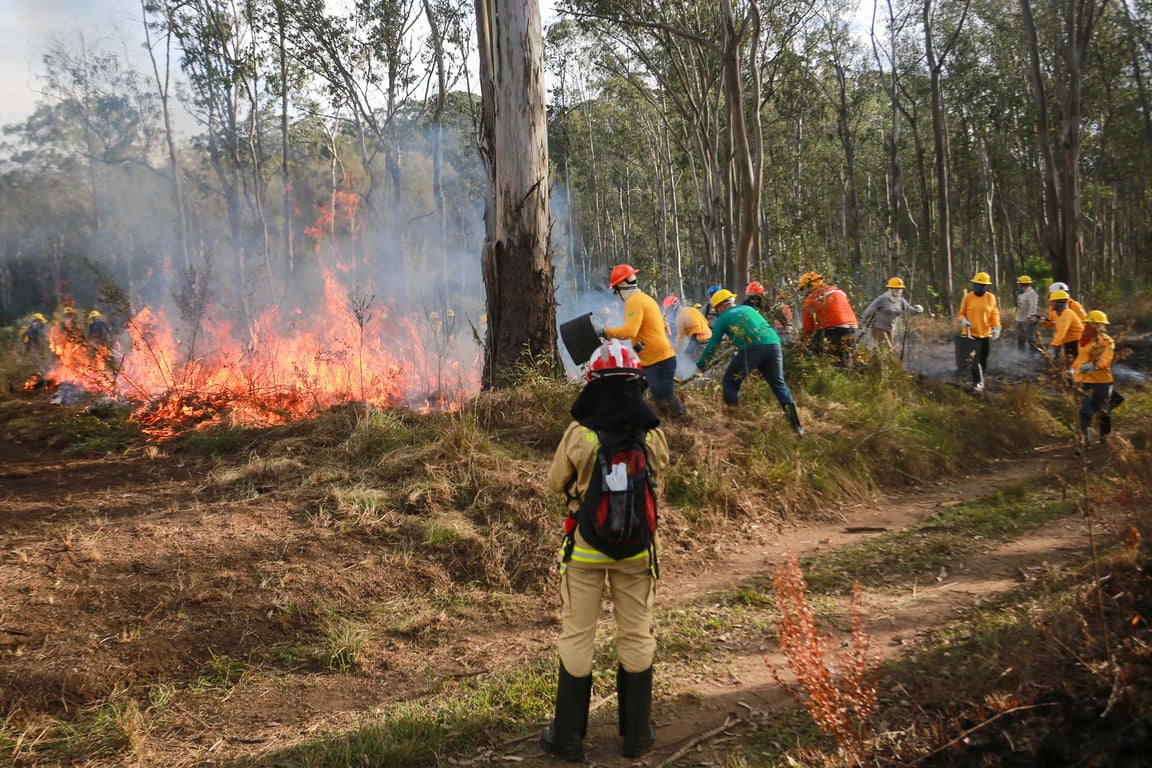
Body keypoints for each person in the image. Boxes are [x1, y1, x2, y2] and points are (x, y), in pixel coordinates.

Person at [542, 339, 670, 761]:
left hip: (585, 551)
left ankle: (567, 738)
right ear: (639, 383)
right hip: (636, 550)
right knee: (635, 633)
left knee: (578, 634)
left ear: (592, 383)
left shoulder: (580, 433)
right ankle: (636, 737)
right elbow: (658, 482)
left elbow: (555, 483)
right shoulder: (651, 434)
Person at [695, 289, 804, 435]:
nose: (718, 312)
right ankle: (796, 428)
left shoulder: (723, 318)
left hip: (752, 347)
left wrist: (702, 364)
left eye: (717, 309)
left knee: (729, 381)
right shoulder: (748, 308)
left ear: (721, 306)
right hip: (773, 344)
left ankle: (733, 425)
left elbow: (713, 344)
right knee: (779, 384)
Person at [599, 265, 686, 416]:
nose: (616, 294)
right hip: (651, 361)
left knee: (666, 404)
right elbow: (647, 333)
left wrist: (604, 332)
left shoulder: (634, 301)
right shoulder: (644, 298)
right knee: (632, 393)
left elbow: (629, 331)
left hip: (658, 361)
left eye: (616, 290)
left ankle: (686, 426)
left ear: (622, 286)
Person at [1070, 310, 1115, 448]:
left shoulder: (1107, 342)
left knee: (1103, 411)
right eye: (1101, 325)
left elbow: (1106, 359)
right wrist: (1073, 367)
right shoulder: (1082, 340)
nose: (1103, 328)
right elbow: (1081, 357)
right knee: (1084, 410)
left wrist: (1094, 366)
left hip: (1102, 382)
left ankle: (1104, 436)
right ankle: (1085, 439)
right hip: (1083, 380)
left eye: (1102, 325)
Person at [956, 271, 1002, 392]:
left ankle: (980, 378)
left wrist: (997, 327)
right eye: (977, 285)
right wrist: (963, 320)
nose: (980, 287)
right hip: (971, 334)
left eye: (982, 286)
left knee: (983, 359)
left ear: (986, 286)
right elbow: (961, 314)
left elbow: (994, 314)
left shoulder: (990, 298)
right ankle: (977, 383)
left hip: (985, 333)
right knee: (975, 360)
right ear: (974, 284)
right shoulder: (968, 298)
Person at [799, 271, 859, 361]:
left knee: (819, 351)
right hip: (853, 328)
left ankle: (819, 370)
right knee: (847, 359)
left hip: (834, 330)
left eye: (804, 289)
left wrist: (803, 340)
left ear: (809, 286)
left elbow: (808, 327)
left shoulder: (811, 299)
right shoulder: (839, 291)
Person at [860, 277, 924, 352]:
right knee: (887, 350)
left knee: (882, 352)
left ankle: (873, 362)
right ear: (890, 289)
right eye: (895, 288)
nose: (897, 291)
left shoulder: (901, 301)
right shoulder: (882, 298)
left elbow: (910, 310)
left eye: (899, 289)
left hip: (890, 329)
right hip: (878, 328)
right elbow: (868, 310)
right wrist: (862, 324)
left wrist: (918, 309)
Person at [661, 295, 712, 362]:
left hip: (699, 340)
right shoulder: (692, 309)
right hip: (709, 337)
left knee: (689, 360)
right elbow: (705, 321)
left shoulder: (679, 318)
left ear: (672, 308)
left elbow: (680, 338)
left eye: (669, 310)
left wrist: (673, 351)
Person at [1046, 289, 1085, 362]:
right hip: (1068, 342)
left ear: (1060, 303)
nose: (1051, 304)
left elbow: (1061, 331)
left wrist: (1053, 346)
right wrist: (1044, 322)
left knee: (1077, 365)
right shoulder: (1058, 313)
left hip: (1077, 343)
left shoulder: (1067, 313)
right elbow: (1052, 324)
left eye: (1053, 302)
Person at [1014, 275, 1040, 354]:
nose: (1019, 285)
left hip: (1028, 320)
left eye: (1020, 284)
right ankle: (1021, 354)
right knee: (1020, 337)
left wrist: (1029, 317)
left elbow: (1033, 306)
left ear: (1023, 284)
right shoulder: (1021, 293)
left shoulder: (1032, 293)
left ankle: (1033, 355)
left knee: (1030, 338)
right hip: (1020, 318)